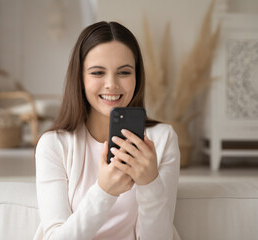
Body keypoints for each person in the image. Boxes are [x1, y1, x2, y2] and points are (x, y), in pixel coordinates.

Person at [34, 21, 181, 240]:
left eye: (124, 72)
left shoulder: (162, 139)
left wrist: (150, 183)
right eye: (97, 72)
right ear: (80, 79)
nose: (111, 84)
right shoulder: (53, 145)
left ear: (136, 77)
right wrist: (104, 191)